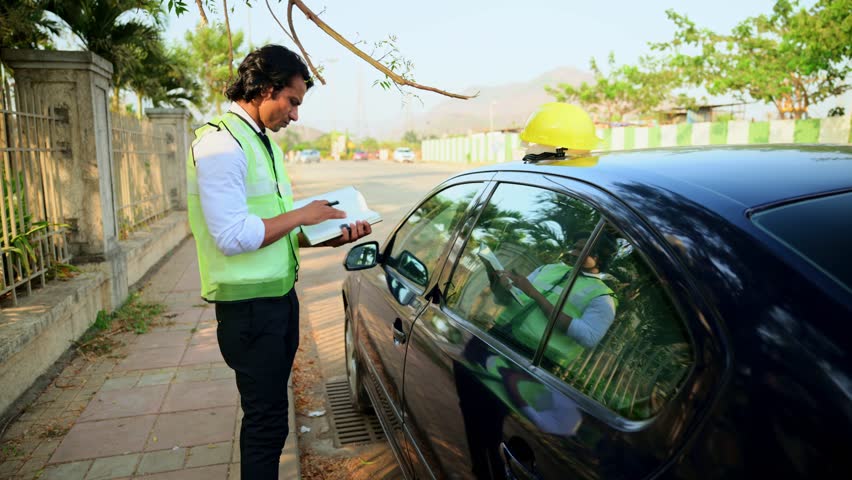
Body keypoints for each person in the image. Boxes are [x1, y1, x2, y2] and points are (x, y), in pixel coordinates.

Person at [186, 44, 372, 479]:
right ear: (267, 89)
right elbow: (232, 237)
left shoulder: (258, 141)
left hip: (275, 303)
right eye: (292, 101)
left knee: (270, 421)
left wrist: (319, 237)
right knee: (266, 424)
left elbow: (269, 228)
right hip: (250, 313)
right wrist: (302, 215)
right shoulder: (221, 144)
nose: (295, 115)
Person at [489, 234, 619, 366]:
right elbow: (510, 300)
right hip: (499, 333)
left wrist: (533, 293)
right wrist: (499, 289)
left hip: (537, 359)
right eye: (575, 248)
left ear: (600, 259)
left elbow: (589, 338)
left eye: (582, 250)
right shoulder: (548, 268)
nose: (574, 253)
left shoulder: (603, 296)